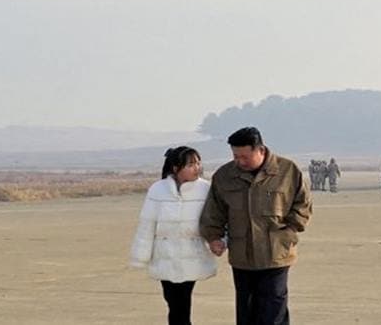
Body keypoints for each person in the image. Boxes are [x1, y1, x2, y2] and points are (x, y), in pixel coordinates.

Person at [201, 127, 312, 325]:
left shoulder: (287, 171)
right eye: (235, 156)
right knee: (247, 311)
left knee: (273, 310)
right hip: (242, 255)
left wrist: (289, 231)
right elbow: (214, 211)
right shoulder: (224, 176)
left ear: (260, 150)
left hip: (276, 254)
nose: (240, 161)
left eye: (245, 157)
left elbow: (303, 205)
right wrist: (213, 237)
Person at [130, 146, 217, 325]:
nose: (197, 168)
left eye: (198, 163)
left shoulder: (205, 189)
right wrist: (140, 256)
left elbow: (214, 220)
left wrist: (217, 241)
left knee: (181, 304)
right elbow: (147, 224)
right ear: (176, 168)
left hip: (190, 255)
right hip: (165, 255)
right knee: (172, 301)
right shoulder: (158, 190)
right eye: (191, 164)